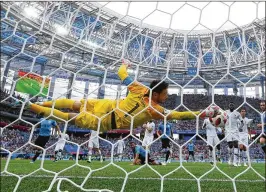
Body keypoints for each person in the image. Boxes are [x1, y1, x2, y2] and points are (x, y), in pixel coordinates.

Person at [24, 60, 214, 132]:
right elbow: (179, 115)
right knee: (70, 113)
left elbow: (121, 73)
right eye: (165, 93)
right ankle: (36, 105)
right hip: (106, 118)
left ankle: (36, 105)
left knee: (73, 110)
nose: (167, 96)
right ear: (156, 93)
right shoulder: (154, 109)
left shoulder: (143, 93)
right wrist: (202, 113)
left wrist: (125, 64)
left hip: (108, 113)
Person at [224, 102, 243, 166]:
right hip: (228, 131)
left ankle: (235, 161)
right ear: (229, 106)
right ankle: (230, 159)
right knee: (230, 145)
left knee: (235, 144)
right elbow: (221, 119)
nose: (231, 106)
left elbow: (242, 122)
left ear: (234, 106)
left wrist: (239, 128)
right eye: (230, 105)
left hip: (235, 131)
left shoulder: (237, 113)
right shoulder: (225, 112)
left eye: (232, 105)